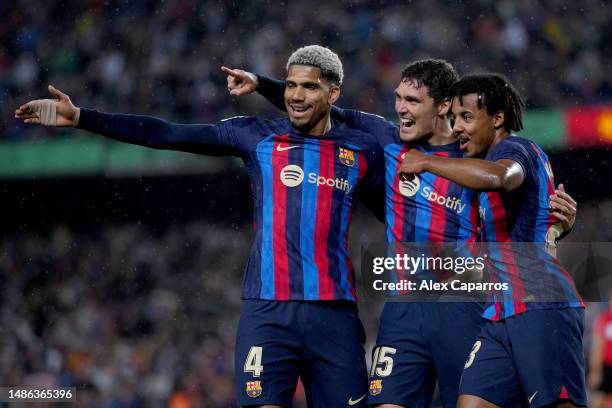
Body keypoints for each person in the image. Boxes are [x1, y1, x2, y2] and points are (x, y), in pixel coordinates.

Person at [15, 45, 386, 408]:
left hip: (335, 315)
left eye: (309, 87)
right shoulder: (256, 135)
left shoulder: (361, 149)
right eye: (290, 85)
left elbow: (394, 211)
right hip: (268, 313)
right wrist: (83, 117)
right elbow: (164, 134)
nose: (296, 95)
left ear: (333, 93)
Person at [223, 61, 578, 407]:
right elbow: (322, 109)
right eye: (398, 98)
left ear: (443, 107)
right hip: (402, 308)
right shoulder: (387, 139)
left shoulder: (474, 155)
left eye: (412, 101)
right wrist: (262, 83)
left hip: (464, 302)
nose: (400, 108)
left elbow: (513, 200)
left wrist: (555, 223)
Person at [399, 73, 585, 408]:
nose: (457, 127)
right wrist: (559, 228)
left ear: (497, 118)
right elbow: (533, 219)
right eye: (454, 118)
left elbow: (502, 178)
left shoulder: (515, 149)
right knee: (472, 402)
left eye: (467, 117)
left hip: (539, 302)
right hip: (500, 312)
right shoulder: (486, 164)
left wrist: (426, 162)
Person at [588, 295, 612, 408]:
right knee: (599, 400)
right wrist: (596, 371)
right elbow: (597, 347)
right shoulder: (604, 319)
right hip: (607, 366)